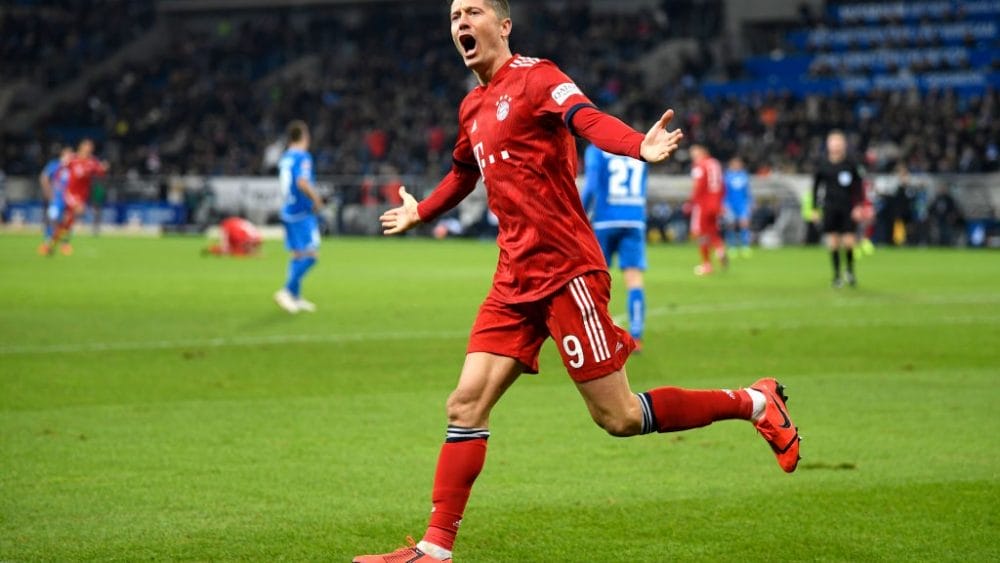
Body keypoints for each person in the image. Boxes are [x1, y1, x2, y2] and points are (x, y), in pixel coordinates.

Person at [353, 2, 801, 562]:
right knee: (465, 404)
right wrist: (425, 211)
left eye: (472, 11)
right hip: (513, 278)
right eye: (452, 16)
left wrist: (638, 144)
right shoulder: (473, 105)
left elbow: (586, 119)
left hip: (566, 272)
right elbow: (464, 172)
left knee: (619, 417)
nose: (460, 23)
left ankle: (754, 403)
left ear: (504, 25)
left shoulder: (539, 77)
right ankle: (435, 549)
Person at [581, 142, 648, 351]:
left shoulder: (596, 150)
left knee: (597, 278)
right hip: (634, 219)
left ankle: (596, 334)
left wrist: (580, 213)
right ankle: (636, 336)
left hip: (605, 221)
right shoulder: (639, 149)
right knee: (634, 279)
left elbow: (591, 185)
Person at [273, 120, 323, 314]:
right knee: (312, 256)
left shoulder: (285, 157)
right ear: (304, 137)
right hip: (302, 212)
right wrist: (316, 200)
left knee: (297, 255)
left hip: (288, 210)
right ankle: (286, 291)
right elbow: (302, 182)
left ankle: (295, 296)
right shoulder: (302, 156)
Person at [811, 130, 864, 288]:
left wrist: (859, 206)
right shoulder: (823, 164)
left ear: (843, 145)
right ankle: (836, 276)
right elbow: (816, 187)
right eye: (832, 142)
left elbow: (858, 186)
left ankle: (849, 271)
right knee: (833, 242)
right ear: (828, 145)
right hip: (830, 207)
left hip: (848, 207)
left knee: (848, 242)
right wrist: (815, 208)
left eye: (838, 142)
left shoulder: (851, 163)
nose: (835, 145)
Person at [48, 139, 107, 255]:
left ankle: (53, 243)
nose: (89, 149)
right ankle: (62, 244)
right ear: (81, 147)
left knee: (68, 222)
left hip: (82, 196)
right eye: (87, 147)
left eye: (91, 147)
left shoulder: (92, 162)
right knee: (78, 211)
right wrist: (58, 185)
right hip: (71, 194)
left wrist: (104, 169)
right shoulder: (73, 159)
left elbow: (100, 173)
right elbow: (59, 170)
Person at [688, 144, 728, 276]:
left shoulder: (700, 165)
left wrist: (691, 201)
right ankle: (720, 250)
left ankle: (706, 265)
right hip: (716, 203)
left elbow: (698, 184)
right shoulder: (715, 163)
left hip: (703, 203)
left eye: (694, 153)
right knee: (713, 231)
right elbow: (722, 184)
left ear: (701, 151)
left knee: (701, 234)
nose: (693, 156)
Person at [38, 146, 74, 256]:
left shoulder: (72, 167)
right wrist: (48, 193)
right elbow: (44, 177)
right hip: (56, 199)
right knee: (52, 218)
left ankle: (65, 244)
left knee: (67, 222)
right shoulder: (55, 165)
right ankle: (48, 242)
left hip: (69, 199)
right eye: (68, 154)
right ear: (63, 155)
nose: (71, 157)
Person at [723, 156, 753, 257]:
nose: (737, 165)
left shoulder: (744, 176)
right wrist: (724, 204)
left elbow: (747, 192)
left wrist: (749, 203)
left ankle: (745, 246)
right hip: (730, 204)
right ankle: (732, 246)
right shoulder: (727, 176)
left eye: (739, 164)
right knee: (731, 225)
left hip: (742, 204)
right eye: (735, 163)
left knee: (744, 224)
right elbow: (724, 192)